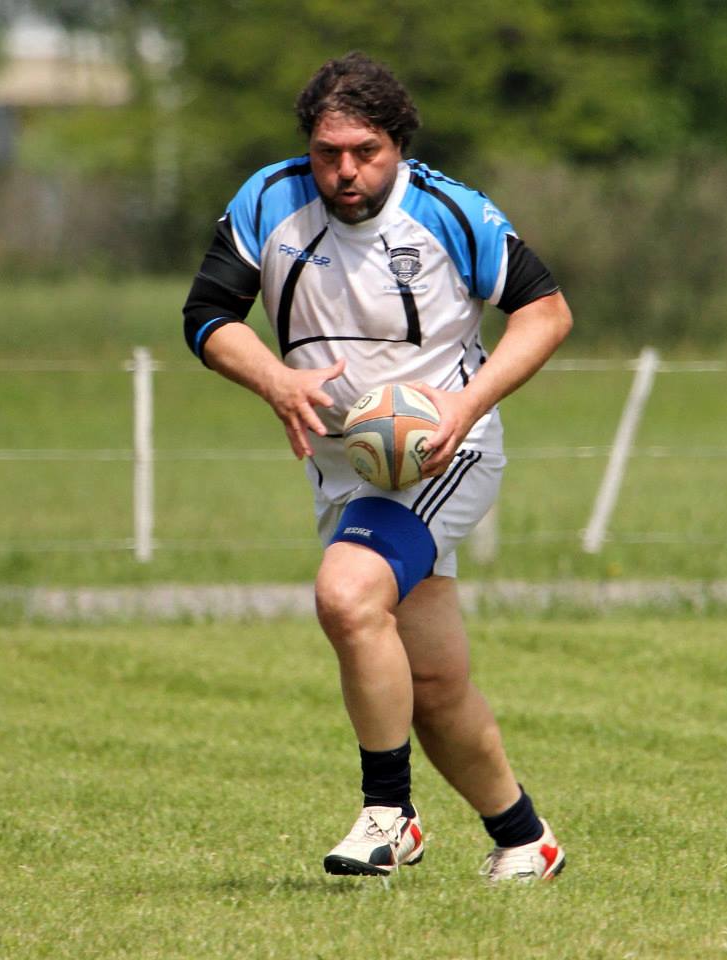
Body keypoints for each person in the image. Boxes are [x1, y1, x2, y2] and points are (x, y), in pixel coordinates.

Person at [183, 52, 572, 882]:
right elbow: (208, 315)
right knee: (430, 683)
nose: (344, 169)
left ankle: (388, 814)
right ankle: (524, 840)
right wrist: (276, 380)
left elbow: (545, 311)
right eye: (328, 152)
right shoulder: (267, 200)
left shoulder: (447, 212)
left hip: (444, 455)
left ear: (397, 144)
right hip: (342, 466)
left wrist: (463, 408)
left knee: (345, 593)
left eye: (364, 150)